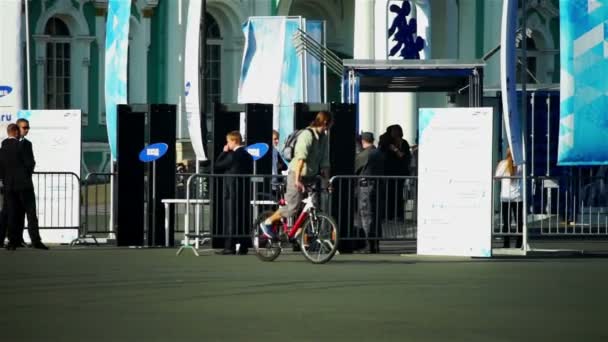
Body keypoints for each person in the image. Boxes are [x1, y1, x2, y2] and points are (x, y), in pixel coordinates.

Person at [259, 111, 332, 239]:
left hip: (311, 176)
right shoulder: (307, 135)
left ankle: (299, 233)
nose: (330, 127)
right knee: (292, 207)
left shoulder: (324, 138)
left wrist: (327, 182)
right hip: (296, 173)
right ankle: (267, 222)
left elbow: (325, 162)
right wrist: (297, 180)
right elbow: (300, 159)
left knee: (312, 206)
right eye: (330, 124)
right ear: (325, 122)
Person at [214, 131, 253, 255]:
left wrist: (224, 152)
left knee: (230, 218)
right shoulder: (247, 155)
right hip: (244, 191)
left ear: (234, 141)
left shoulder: (233, 155)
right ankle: (244, 245)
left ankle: (229, 246)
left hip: (231, 191)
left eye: (228, 141)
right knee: (243, 217)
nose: (227, 144)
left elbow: (217, 165)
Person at [15, 118, 47, 249]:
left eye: (28, 127)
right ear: (17, 128)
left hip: (26, 183)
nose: (27, 129)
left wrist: (27, 171)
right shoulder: (8, 144)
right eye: (24, 127)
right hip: (14, 185)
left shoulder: (28, 144)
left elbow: (31, 162)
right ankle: (17, 239)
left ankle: (35, 240)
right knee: (16, 214)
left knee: (31, 213)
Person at [355, 132, 385, 253]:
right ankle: (376, 244)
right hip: (378, 186)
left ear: (362, 141)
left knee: (366, 215)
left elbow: (355, 169)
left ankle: (369, 244)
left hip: (365, 186)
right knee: (376, 215)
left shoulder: (364, 155)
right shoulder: (379, 153)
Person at [378, 124, 411, 221]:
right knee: (388, 194)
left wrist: (395, 150)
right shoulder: (387, 143)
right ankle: (388, 215)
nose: (393, 133)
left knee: (397, 194)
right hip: (388, 172)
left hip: (399, 173)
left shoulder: (403, 143)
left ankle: (398, 215)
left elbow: (404, 156)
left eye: (394, 131)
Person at [495, 148, 523, 248]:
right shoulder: (520, 164)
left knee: (506, 222)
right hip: (517, 196)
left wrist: (500, 165)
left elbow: (497, 177)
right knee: (519, 221)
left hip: (505, 197)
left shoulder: (503, 164)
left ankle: (506, 244)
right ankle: (519, 243)